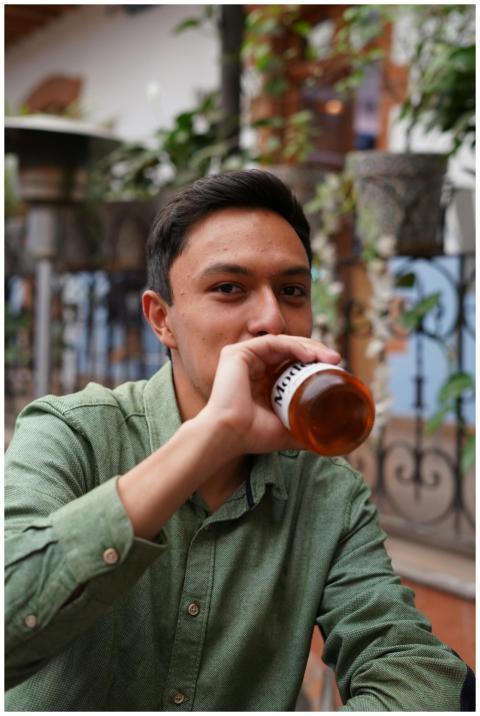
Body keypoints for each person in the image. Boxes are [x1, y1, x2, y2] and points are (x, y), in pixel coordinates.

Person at [5, 170, 475, 711]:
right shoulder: (70, 434)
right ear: (162, 319)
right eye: (229, 288)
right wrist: (211, 437)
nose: (272, 318)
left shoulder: (327, 491)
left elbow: (410, 663)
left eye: (292, 290)